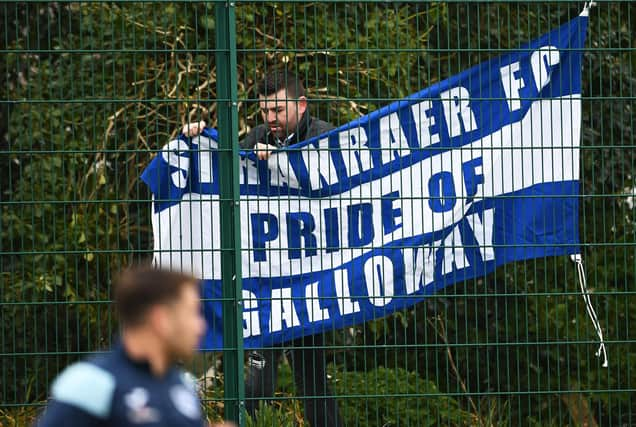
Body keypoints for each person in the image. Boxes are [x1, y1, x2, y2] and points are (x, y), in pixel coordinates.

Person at [181, 70, 343, 426]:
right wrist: (199, 140)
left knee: (313, 380)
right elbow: (227, 162)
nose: (271, 119)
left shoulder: (325, 135)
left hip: (309, 283)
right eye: (265, 111)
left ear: (302, 105)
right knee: (256, 384)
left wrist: (285, 164)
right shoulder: (258, 137)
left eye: (278, 110)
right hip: (266, 283)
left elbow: (334, 188)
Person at [36, 266, 232, 427]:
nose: (200, 326)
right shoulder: (91, 383)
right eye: (192, 313)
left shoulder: (182, 386)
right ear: (160, 319)